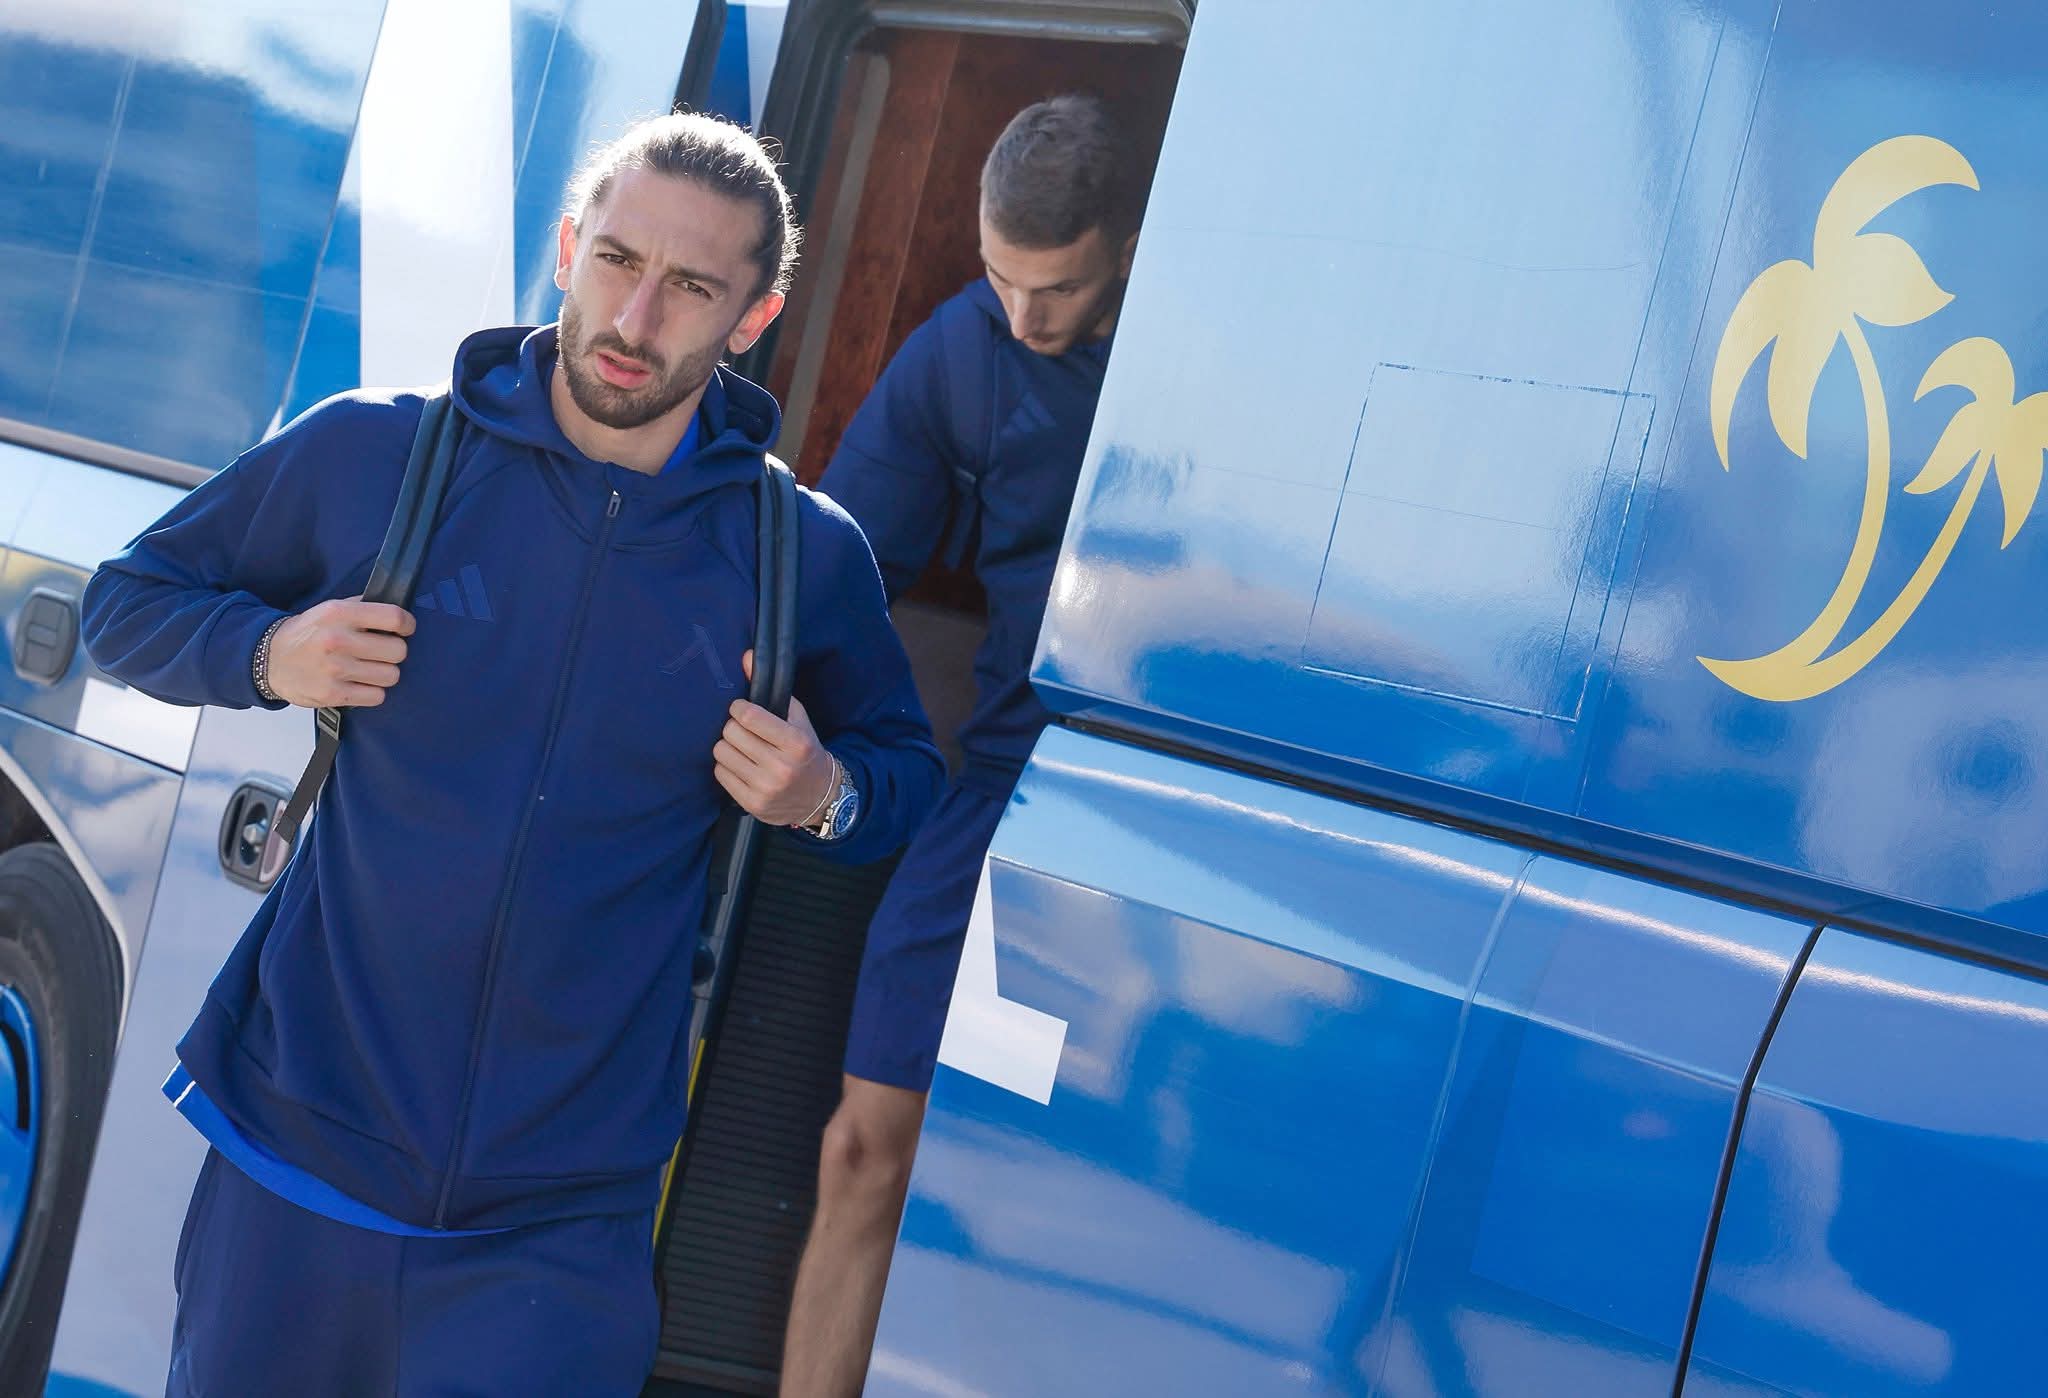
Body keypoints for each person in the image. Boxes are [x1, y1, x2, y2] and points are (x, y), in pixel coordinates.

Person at [80, 112, 942, 1397]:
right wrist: (268, 655)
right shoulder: (376, 452)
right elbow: (125, 604)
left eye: (690, 287)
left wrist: (825, 795)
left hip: (558, 1231)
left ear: (753, 317)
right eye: (617, 260)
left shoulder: (798, 555)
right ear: (566, 246)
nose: (634, 318)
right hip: (299, 1165)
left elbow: (906, 784)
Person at [780, 94, 1139, 1396]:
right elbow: (833, 569)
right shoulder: (965, 349)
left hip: (1161, 798)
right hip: (1007, 784)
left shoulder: (1215, 360)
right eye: (1001, 278)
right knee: (862, 1148)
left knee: (1036, 1182)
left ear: (1128, 246)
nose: (1024, 317)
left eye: (1058, 288)